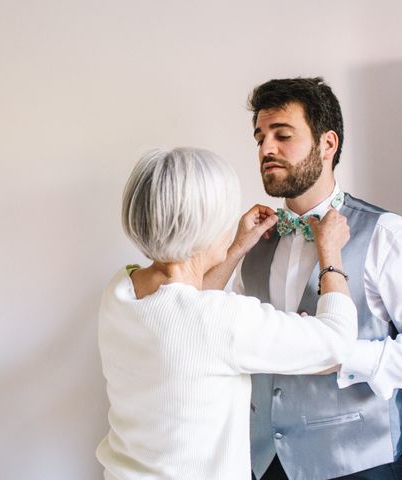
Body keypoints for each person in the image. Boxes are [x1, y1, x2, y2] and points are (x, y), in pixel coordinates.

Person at [211, 77, 402, 479]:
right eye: (260, 137)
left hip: (360, 465)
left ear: (327, 143)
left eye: (282, 135)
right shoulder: (255, 239)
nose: (266, 149)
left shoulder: (387, 233)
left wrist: (341, 355)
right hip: (264, 463)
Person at [96, 147, 358, 479]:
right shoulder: (220, 320)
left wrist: (235, 249)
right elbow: (338, 342)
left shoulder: (120, 289)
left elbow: (183, 308)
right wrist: (330, 252)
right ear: (203, 227)